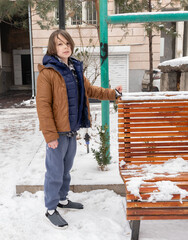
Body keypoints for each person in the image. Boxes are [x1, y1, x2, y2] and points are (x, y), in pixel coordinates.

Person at [36, 29, 122, 229]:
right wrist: (49, 136)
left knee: (66, 170)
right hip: (56, 132)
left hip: (71, 129)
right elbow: (43, 106)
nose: (65, 47)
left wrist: (113, 94)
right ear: (52, 47)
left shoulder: (75, 68)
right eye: (60, 44)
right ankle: (50, 208)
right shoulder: (47, 73)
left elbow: (90, 91)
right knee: (54, 172)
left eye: (67, 43)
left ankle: (62, 199)